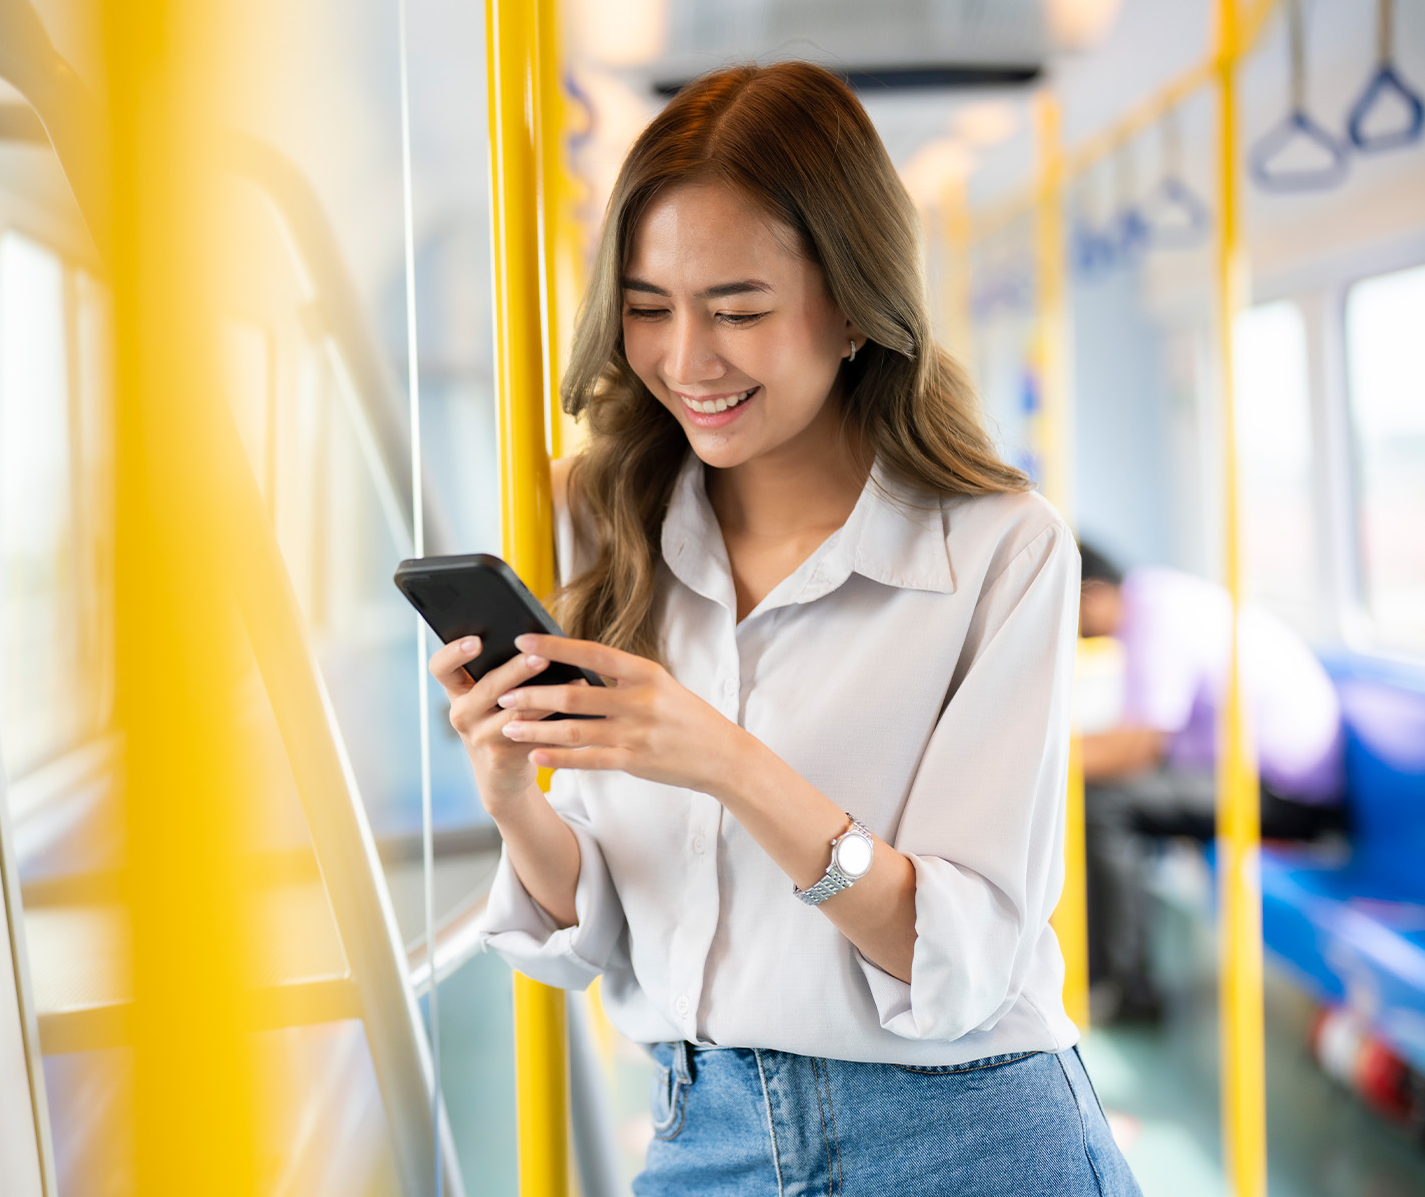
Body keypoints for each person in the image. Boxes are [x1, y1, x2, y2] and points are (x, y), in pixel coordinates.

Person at [435, 63, 1139, 1195]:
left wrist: (727, 762)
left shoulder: (1001, 550)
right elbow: (607, 931)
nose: (686, 360)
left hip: (966, 1140)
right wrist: (514, 796)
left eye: (739, 309)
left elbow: (958, 960)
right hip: (701, 1134)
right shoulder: (598, 526)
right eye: (650, 309)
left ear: (857, 305)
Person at [1076, 541, 1346, 1023]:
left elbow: (1137, 748)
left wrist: (1052, 756)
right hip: (1261, 778)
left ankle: (1124, 989)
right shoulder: (1156, 599)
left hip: (1286, 792)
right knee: (1113, 796)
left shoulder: (1153, 617)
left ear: (1091, 595)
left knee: (1103, 801)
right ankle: (1115, 971)